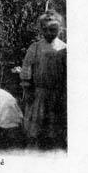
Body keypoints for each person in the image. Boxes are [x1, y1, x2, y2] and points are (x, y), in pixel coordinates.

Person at [20, 10, 66, 149]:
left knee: (54, 127)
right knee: (36, 126)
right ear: (41, 30)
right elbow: (26, 68)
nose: (49, 33)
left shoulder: (63, 49)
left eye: (53, 30)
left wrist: (64, 94)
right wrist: (27, 89)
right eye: (45, 30)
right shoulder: (36, 47)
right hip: (39, 93)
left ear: (60, 29)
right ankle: (34, 147)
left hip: (57, 93)